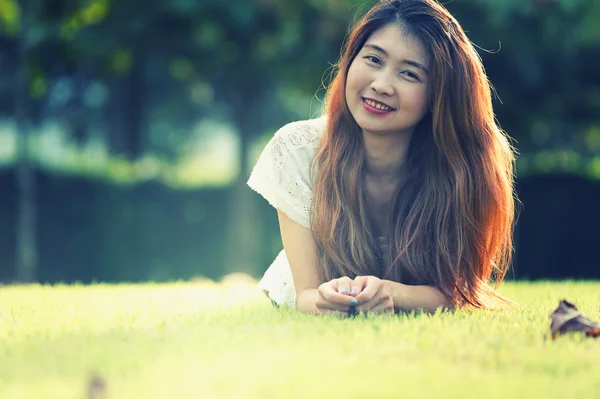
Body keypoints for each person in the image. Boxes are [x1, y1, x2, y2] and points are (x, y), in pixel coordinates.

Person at [247, 0, 517, 316]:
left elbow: (459, 292)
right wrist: (331, 300)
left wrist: (389, 292)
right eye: (374, 59)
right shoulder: (298, 150)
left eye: (409, 74)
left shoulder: (466, 163)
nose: (381, 85)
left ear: (440, 94)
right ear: (350, 61)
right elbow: (306, 294)